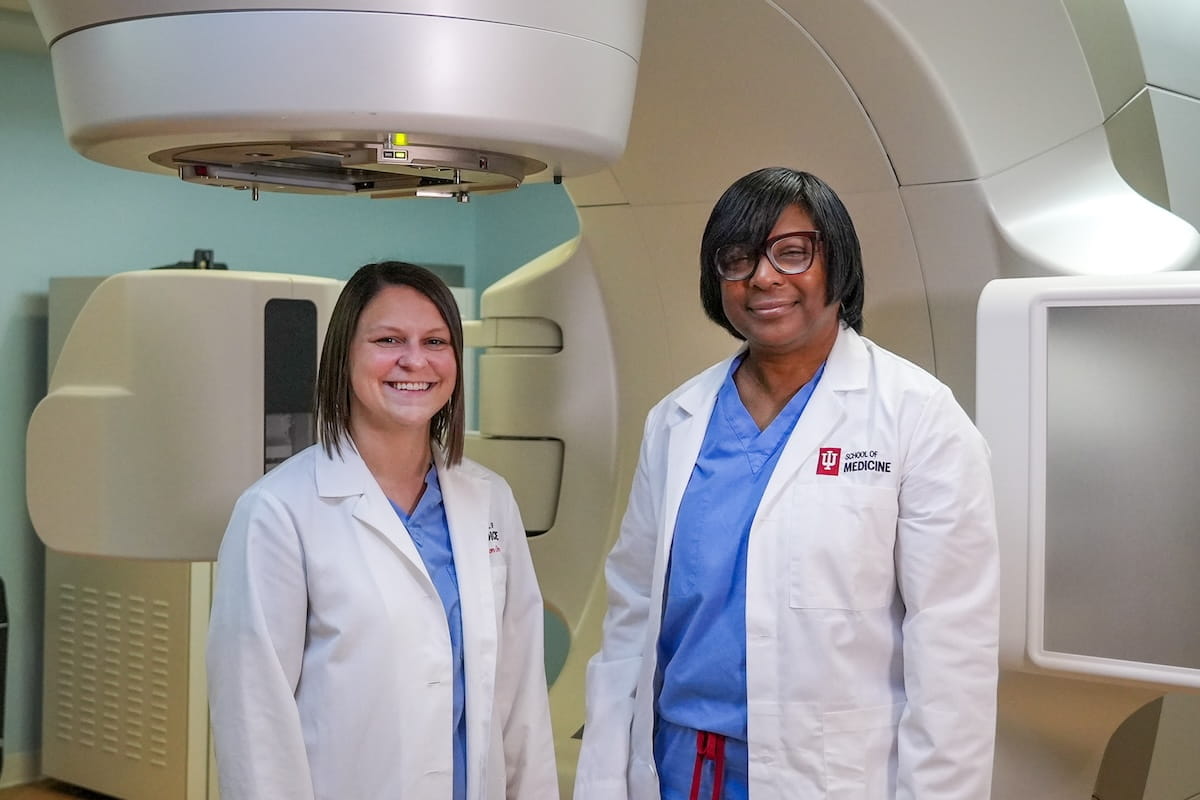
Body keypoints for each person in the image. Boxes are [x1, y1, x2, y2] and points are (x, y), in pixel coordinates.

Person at [574, 168, 999, 800]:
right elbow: (632, 618)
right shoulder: (676, 421)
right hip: (680, 767)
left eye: (793, 253)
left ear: (838, 264)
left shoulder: (917, 416)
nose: (763, 277)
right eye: (737, 259)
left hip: (832, 775)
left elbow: (953, 646)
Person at [207, 261, 559, 800]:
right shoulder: (277, 512)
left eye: (435, 341)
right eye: (388, 340)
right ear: (344, 356)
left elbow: (520, 695)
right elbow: (255, 723)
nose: (414, 360)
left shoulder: (489, 499)